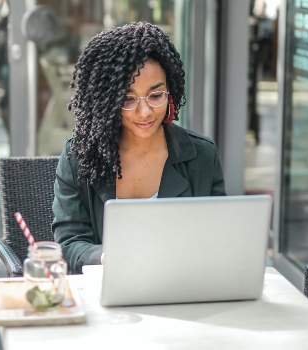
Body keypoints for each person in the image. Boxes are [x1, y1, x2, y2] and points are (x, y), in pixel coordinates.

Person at [52, 22, 227, 274]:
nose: (144, 112)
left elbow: (218, 239)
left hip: (183, 288)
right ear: (107, 101)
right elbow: (69, 244)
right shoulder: (79, 157)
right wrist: (105, 256)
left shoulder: (201, 156)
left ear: (171, 92)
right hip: (107, 293)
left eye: (156, 96)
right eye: (127, 99)